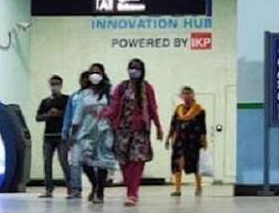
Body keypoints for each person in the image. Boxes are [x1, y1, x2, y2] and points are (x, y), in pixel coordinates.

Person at [103, 58, 163, 207]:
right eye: (131, 68)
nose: (133, 71)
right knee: (124, 162)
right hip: (122, 130)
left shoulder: (147, 87)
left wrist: (158, 126)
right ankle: (130, 189)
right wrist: (103, 116)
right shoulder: (122, 87)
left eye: (136, 68)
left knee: (137, 162)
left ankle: (132, 193)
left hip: (140, 131)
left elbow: (152, 108)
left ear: (142, 71)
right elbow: (114, 106)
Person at [70, 66, 118, 204]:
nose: (95, 75)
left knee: (102, 162)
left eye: (98, 72)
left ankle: (100, 192)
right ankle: (95, 184)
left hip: (104, 130)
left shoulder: (109, 92)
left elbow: (115, 110)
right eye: (92, 72)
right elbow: (77, 115)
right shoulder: (84, 94)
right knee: (83, 160)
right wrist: (73, 134)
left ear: (103, 74)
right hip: (86, 132)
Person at [166, 86, 207, 197]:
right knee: (177, 164)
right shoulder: (178, 109)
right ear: (181, 96)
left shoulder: (199, 110)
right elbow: (173, 125)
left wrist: (204, 141)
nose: (186, 96)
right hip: (179, 140)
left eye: (189, 93)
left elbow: (203, 127)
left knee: (194, 164)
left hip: (193, 141)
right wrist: (168, 138)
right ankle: (178, 189)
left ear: (193, 95)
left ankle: (198, 186)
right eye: (184, 93)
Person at [35, 75, 70, 198]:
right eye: (52, 84)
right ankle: (48, 189)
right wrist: (48, 115)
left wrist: (59, 113)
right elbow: (38, 118)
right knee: (47, 162)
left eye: (57, 84)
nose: (54, 86)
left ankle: (71, 188)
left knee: (64, 161)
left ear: (61, 85)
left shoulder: (67, 100)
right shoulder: (45, 102)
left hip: (62, 136)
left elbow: (70, 115)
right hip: (48, 136)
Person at [61, 71, 90, 199]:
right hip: (76, 132)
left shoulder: (94, 96)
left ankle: (96, 188)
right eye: (81, 79)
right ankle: (76, 189)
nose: (83, 82)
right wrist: (65, 130)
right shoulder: (74, 96)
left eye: (86, 79)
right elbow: (68, 115)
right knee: (74, 162)